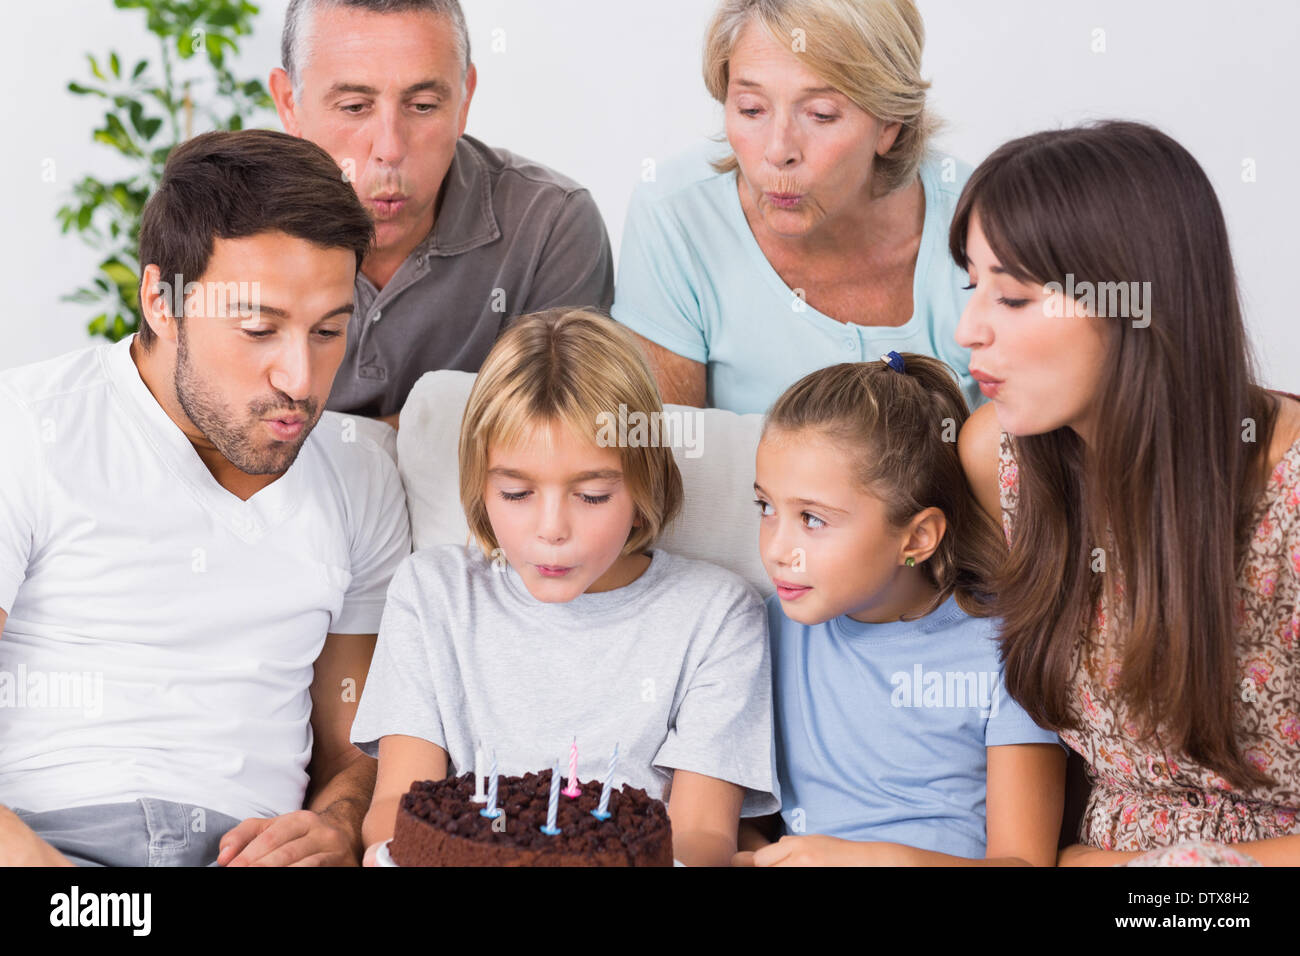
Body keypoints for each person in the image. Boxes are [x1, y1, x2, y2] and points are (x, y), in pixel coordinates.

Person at [0, 129, 411, 866]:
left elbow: (355, 753)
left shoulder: (362, 473)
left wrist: (340, 822)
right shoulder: (30, 428)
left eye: (327, 331)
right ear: (161, 300)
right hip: (49, 844)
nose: (300, 379)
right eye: (259, 329)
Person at [955, 120, 1300, 866]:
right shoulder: (998, 458)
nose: (967, 329)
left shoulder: (1289, 497)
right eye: (970, 284)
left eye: (1011, 297)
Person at [350, 308, 778, 866]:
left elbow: (702, 839)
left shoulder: (717, 615)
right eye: (516, 494)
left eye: (593, 496)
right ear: (480, 486)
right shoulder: (434, 594)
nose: (552, 531)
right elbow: (393, 809)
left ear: (645, 482)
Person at [736, 356, 1064, 866]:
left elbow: (1024, 863)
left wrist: (868, 861)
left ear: (917, 537)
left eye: (813, 519)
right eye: (766, 508)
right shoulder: (764, 631)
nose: (779, 549)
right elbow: (747, 825)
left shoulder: (1007, 647)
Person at [611, 0, 978, 415]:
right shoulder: (674, 215)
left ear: (889, 123)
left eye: (821, 114)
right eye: (751, 109)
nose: (778, 150)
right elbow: (661, 461)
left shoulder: (982, 218)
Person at [269, 0, 615, 429]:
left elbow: (557, 435)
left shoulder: (550, 224)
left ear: (464, 98)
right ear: (289, 103)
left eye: (424, 105)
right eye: (356, 107)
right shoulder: (230, 232)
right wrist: (447, 423)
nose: (390, 149)